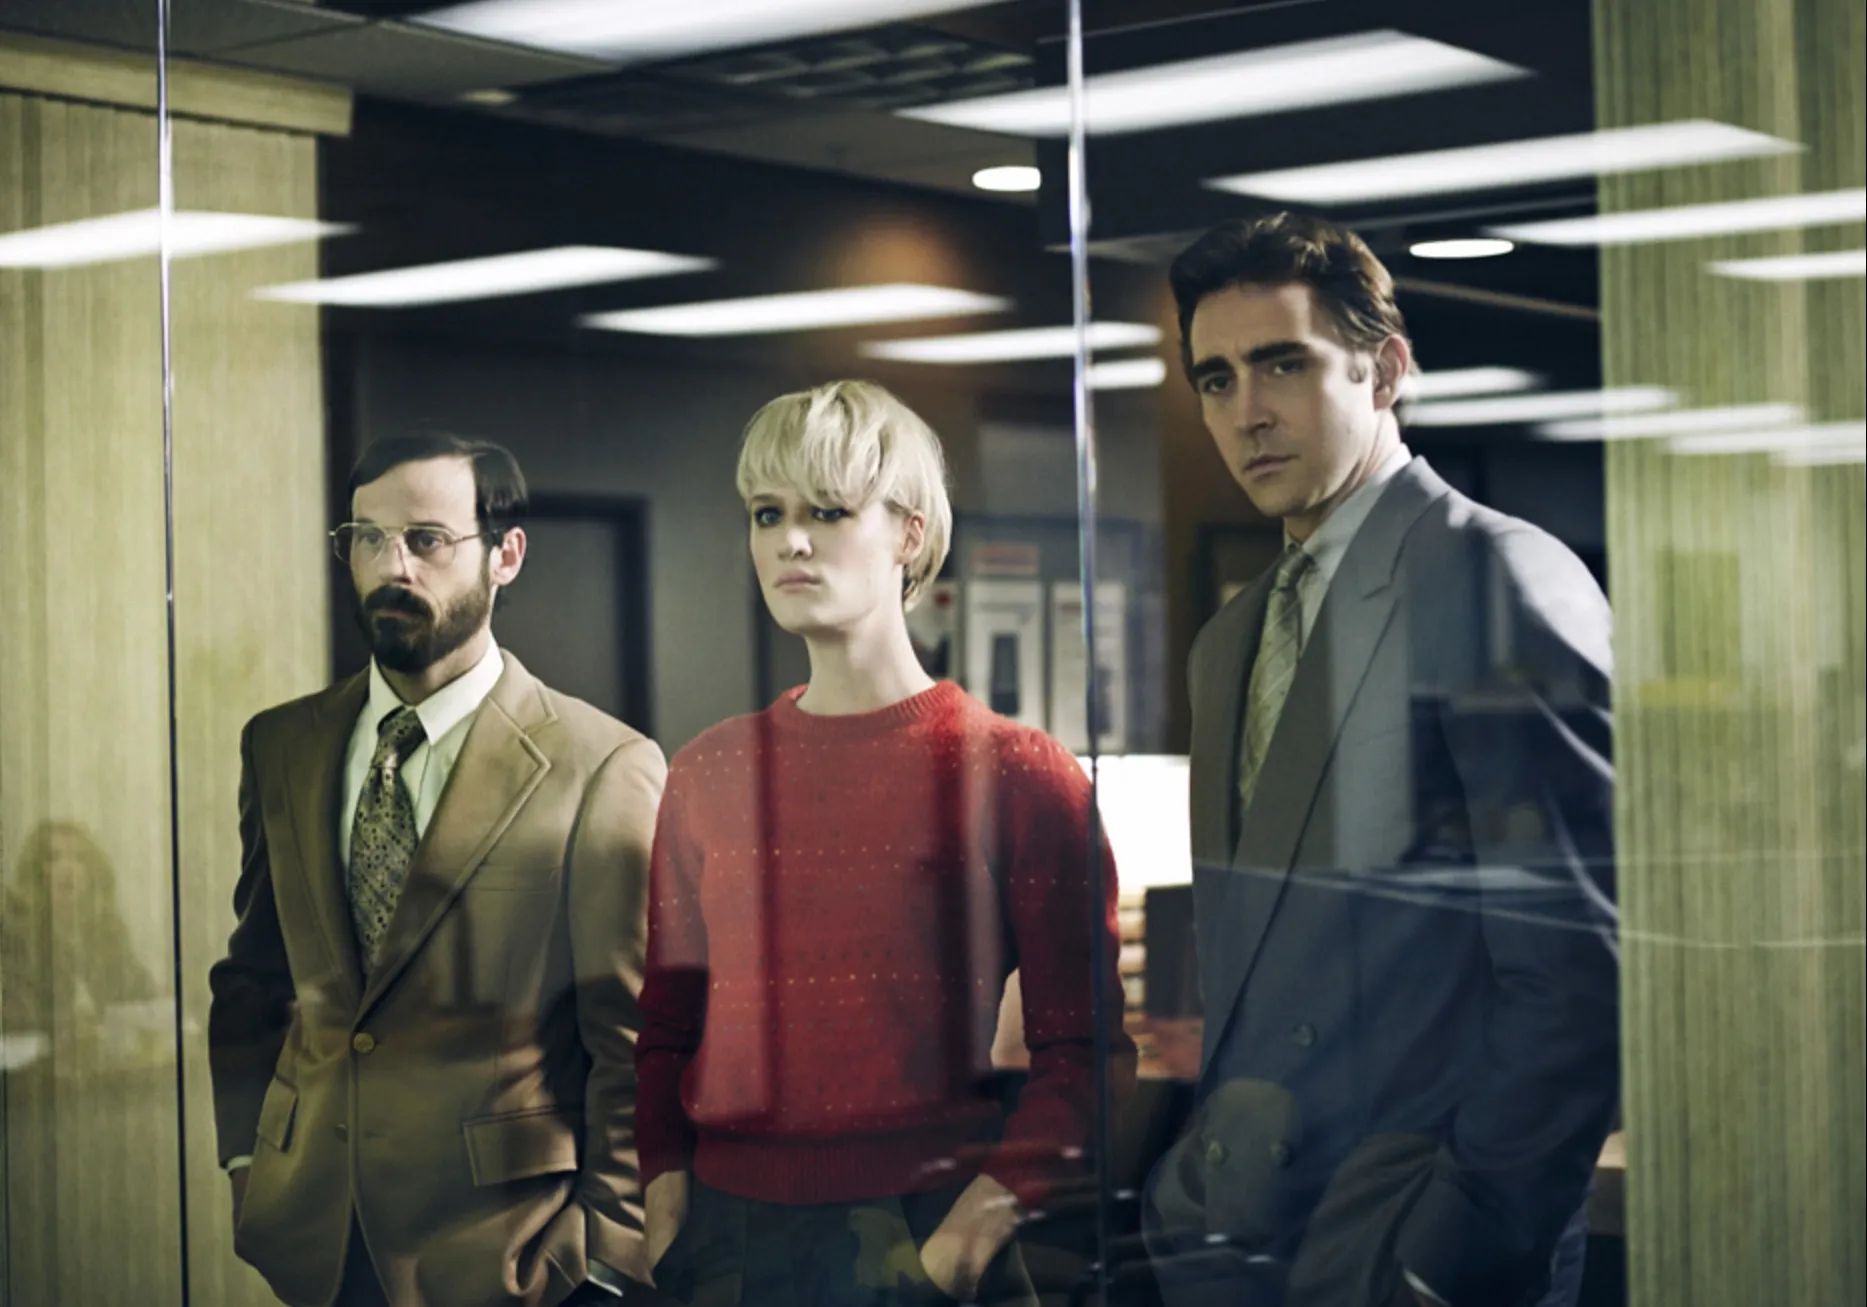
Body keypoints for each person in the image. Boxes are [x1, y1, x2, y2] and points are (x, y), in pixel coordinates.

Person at [1143, 214, 1618, 1307]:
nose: (1245, 410)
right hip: (1239, 1236)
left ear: (1385, 367)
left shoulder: (1490, 576)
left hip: (1412, 1251)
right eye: (1214, 379)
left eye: (1282, 363)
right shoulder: (1232, 637)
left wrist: (1448, 1250)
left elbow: (1574, 974)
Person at [634, 380, 1131, 1307]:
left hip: (924, 1225)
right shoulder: (707, 772)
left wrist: (970, 1231)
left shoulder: (1016, 770)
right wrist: (668, 1200)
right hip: (730, 1232)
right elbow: (667, 1026)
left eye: (827, 510)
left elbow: (1085, 1054)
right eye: (766, 513)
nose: (790, 539)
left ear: (908, 534)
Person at [207, 434, 668, 1307]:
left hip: (514, 1248)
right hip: (314, 1236)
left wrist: (608, 1251)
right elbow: (255, 976)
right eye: (368, 538)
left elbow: (633, 1037)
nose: (393, 565)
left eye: (427, 539)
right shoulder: (282, 743)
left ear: (506, 556)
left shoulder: (602, 764)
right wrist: (245, 1163)